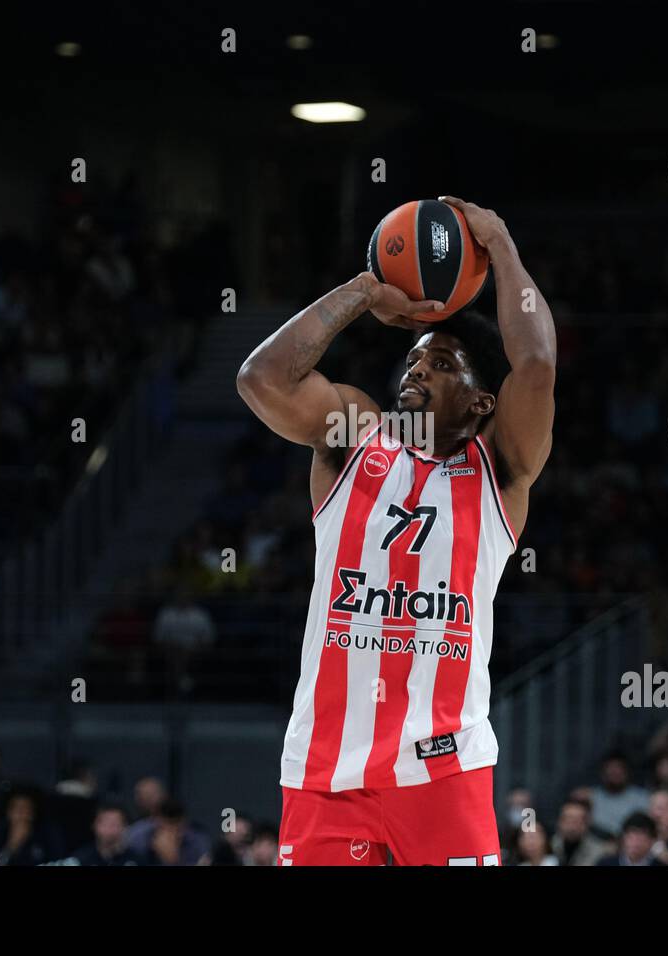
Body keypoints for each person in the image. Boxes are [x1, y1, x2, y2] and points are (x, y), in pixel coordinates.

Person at [238, 197, 555, 866]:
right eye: (413, 359)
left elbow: (536, 367)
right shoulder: (354, 435)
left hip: (445, 768)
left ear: (481, 401)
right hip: (326, 768)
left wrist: (499, 247)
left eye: (442, 365)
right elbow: (260, 378)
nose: (417, 369)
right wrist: (362, 291)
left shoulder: (499, 468)